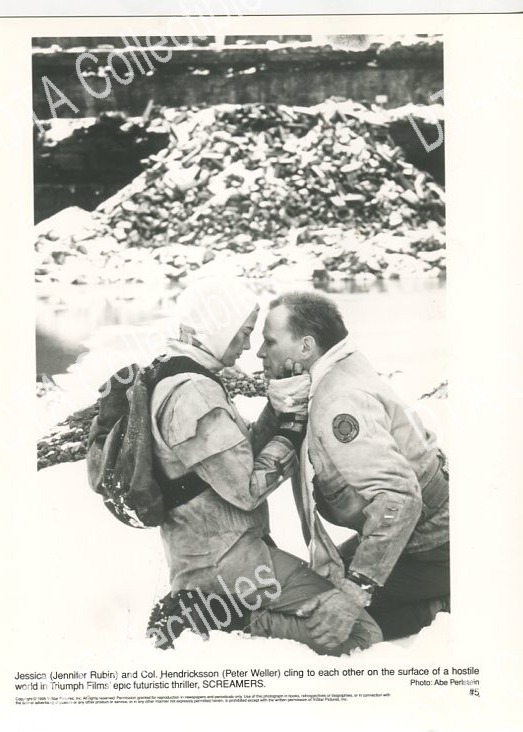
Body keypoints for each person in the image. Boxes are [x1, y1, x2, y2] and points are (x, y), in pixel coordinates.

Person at [146, 277, 382, 654]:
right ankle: (220, 619)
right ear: (217, 327)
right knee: (360, 633)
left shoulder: (176, 374)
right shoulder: (195, 395)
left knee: (332, 604)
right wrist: (291, 429)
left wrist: (277, 409)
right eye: (243, 333)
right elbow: (246, 489)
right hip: (227, 562)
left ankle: (215, 612)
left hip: (204, 553)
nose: (247, 346)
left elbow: (231, 460)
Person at [257, 290, 450, 643]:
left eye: (270, 342)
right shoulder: (334, 369)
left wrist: (355, 590)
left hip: (432, 548)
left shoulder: (338, 401)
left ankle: (442, 606)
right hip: (426, 536)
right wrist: (280, 406)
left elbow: (399, 498)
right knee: (318, 585)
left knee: (326, 612)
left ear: (306, 347)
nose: (259, 352)